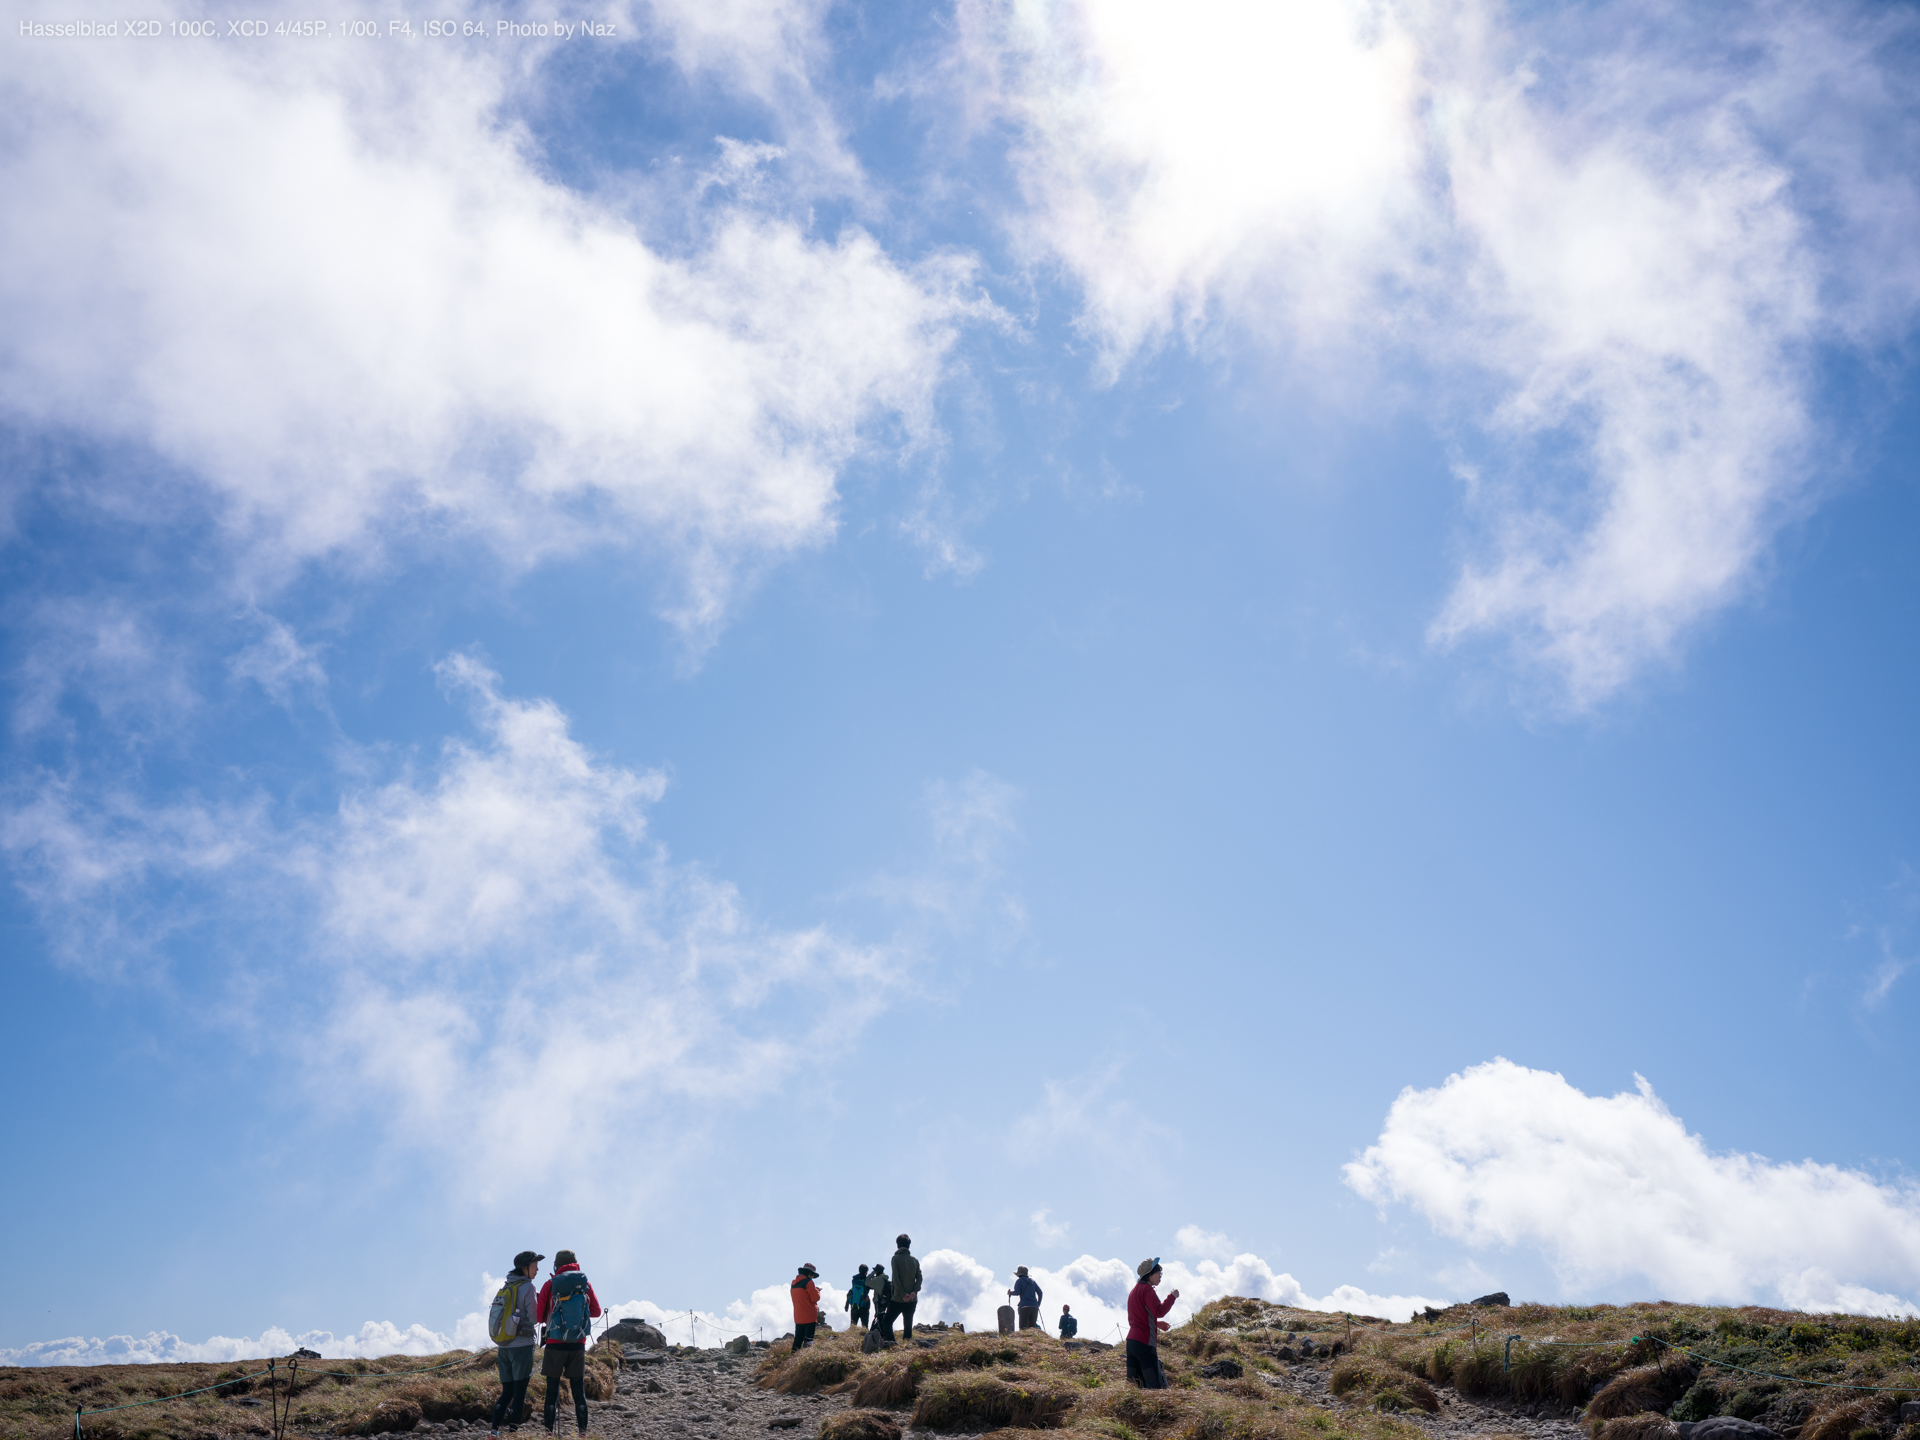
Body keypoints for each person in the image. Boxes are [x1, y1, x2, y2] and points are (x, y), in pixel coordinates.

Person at [536, 1249, 603, 1436]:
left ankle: (549, 1434)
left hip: (555, 1343)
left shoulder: (550, 1285)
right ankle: (582, 1433)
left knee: (551, 1391)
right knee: (578, 1392)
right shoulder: (585, 1283)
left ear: (556, 1266)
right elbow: (596, 1311)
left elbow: (539, 1316)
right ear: (575, 1263)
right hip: (578, 1343)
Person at [490, 1251, 543, 1439]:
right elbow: (534, 1318)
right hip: (522, 1347)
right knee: (519, 1393)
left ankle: (494, 1430)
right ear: (524, 1268)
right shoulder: (528, 1288)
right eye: (535, 1265)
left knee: (507, 1393)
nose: (537, 1269)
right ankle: (513, 1433)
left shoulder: (507, 1285)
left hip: (504, 1347)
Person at [1125, 1258, 1179, 1389]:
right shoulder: (1147, 1290)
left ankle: (1131, 1409)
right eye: (1158, 1273)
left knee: (1134, 1386)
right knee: (1153, 1387)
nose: (1160, 1276)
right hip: (1144, 1343)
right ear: (1149, 1274)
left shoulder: (1134, 1291)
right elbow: (1159, 1311)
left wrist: (1156, 1323)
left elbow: (1137, 1316)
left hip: (1131, 1342)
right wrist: (1172, 1297)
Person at [889, 1235, 923, 1341]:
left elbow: (896, 1278)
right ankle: (907, 1346)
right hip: (912, 1299)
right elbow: (919, 1277)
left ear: (897, 1245)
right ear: (909, 1246)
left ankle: (892, 1343)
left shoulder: (895, 1258)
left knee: (886, 1322)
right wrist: (914, 1292)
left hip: (898, 1298)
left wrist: (903, 1294)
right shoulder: (915, 1260)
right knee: (908, 1323)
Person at [791, 1264, 822, 1351]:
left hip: (798, 1316)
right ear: (810, 1273)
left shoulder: (794, 1283)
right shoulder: (809, 1282)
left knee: (797, 1341)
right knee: (808, 1342)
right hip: (809, 1316)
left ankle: (792, 1359)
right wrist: (817, 1291)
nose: (812, 1277)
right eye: (812, 1275)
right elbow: (815, 1298)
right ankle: (803, 1361)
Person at [869, 1259, 895, 1344]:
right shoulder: (884, 1278)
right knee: (883, 1316)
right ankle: (884, 1332)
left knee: (878, 1316)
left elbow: (867, 1283)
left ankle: (879, 1333)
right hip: (885, 1301)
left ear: (876, 1271)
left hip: (878, 1301)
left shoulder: (878, 1279)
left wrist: (872, 1273)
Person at [846, 1264, 872, 1329]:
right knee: (865, 1326)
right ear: (866, 1272)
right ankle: (865, 1339)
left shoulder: (854, 1280)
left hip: (854, 1305)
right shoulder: (867, 1281)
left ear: (859, 1271)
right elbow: (872, 1287)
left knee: (853, 1326)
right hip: (864, 1306)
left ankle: (851, 1338)